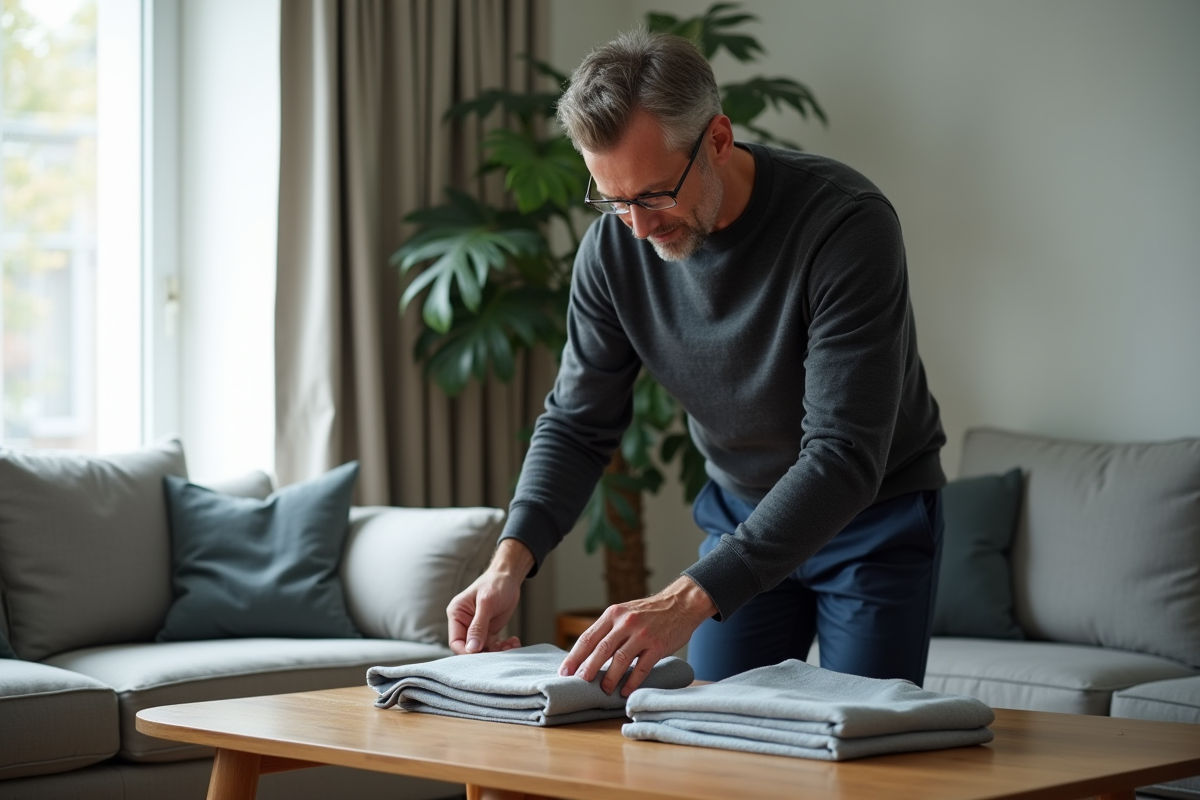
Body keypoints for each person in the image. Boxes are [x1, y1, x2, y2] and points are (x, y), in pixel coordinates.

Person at [446, 29, 947, 698]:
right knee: (708, 745)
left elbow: (842, 454)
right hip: (740, 515)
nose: (639, 228)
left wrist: (687, 598)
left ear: (717, 139)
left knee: (865, 758)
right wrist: (510, 562)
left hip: (871, 521)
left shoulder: (845, 225)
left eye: (653, 195)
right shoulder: (613, 251)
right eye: (613, 200)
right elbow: (576, 423)